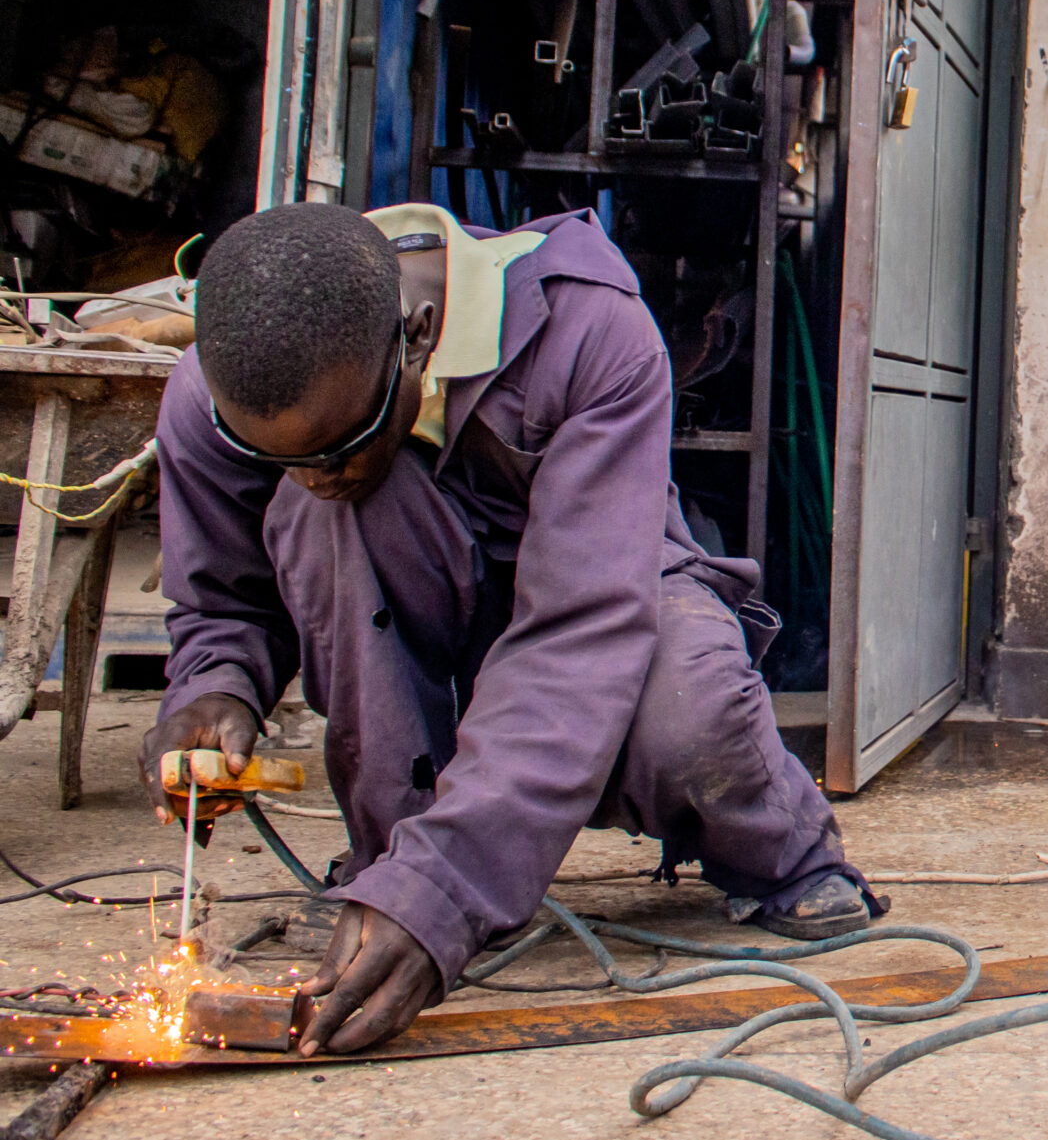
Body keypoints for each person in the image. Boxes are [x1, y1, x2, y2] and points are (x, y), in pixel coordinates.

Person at [143, 203, 876, 1055]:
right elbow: (224, 595)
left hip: (603, 588)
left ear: (416, 338)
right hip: (425, 581)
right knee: (321, 521)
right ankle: (393, 870)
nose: (315, 474)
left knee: (688, 714)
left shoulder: (589, 326)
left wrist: (448, 888)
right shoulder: (220, 386)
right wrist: (214, 686)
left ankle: (782, 847)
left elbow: (580, 629)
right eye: (284, 459)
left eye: (342, 443)